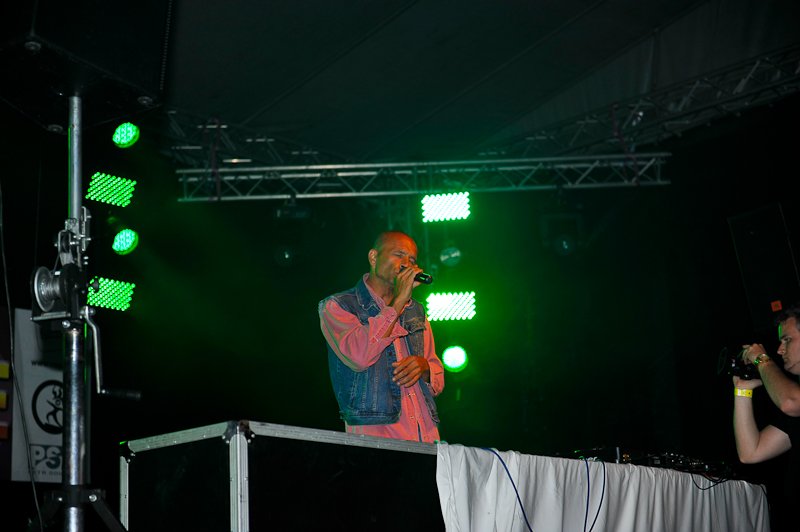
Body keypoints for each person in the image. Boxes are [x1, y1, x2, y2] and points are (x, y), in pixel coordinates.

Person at [318, 231, 444, 443]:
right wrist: (398, 302)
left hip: (426, 437)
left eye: (412, 260)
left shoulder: (416, 311)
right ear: (374, 257)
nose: (407, 264)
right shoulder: (338, 306)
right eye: (399, 255)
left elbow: (437, 374)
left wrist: (425, 368)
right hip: (377, 440)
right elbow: (359, 357)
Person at [733, 305, 800, 464]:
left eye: (787, 340)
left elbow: (790, 402)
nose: (779, 350)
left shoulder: (793, 399)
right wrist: (742, 389)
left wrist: (761, 359)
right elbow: (750, 453)